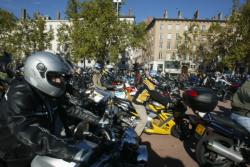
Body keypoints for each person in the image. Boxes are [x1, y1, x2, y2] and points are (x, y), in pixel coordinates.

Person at [0, 52, 98, 167]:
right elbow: (28, 131)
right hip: (15, 152)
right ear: (37, 73)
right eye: (55, 77)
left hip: (40, 146)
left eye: (61, 77)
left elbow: (69, 108)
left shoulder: (46, 91)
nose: (60, 81)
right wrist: (70, 152)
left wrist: (97, 120)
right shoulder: (19, 94)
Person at [132, 71, 170, 136]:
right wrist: (166, 101)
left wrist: (165, 91)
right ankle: (135, 136)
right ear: (152, 78)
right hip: (138, 103)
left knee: (153, 110)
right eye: (156, 78)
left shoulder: (148, 82)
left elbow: (156, 90)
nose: (157, 80)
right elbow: (157, 96)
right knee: (144, 119)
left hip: (143, 102)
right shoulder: (149, 86)